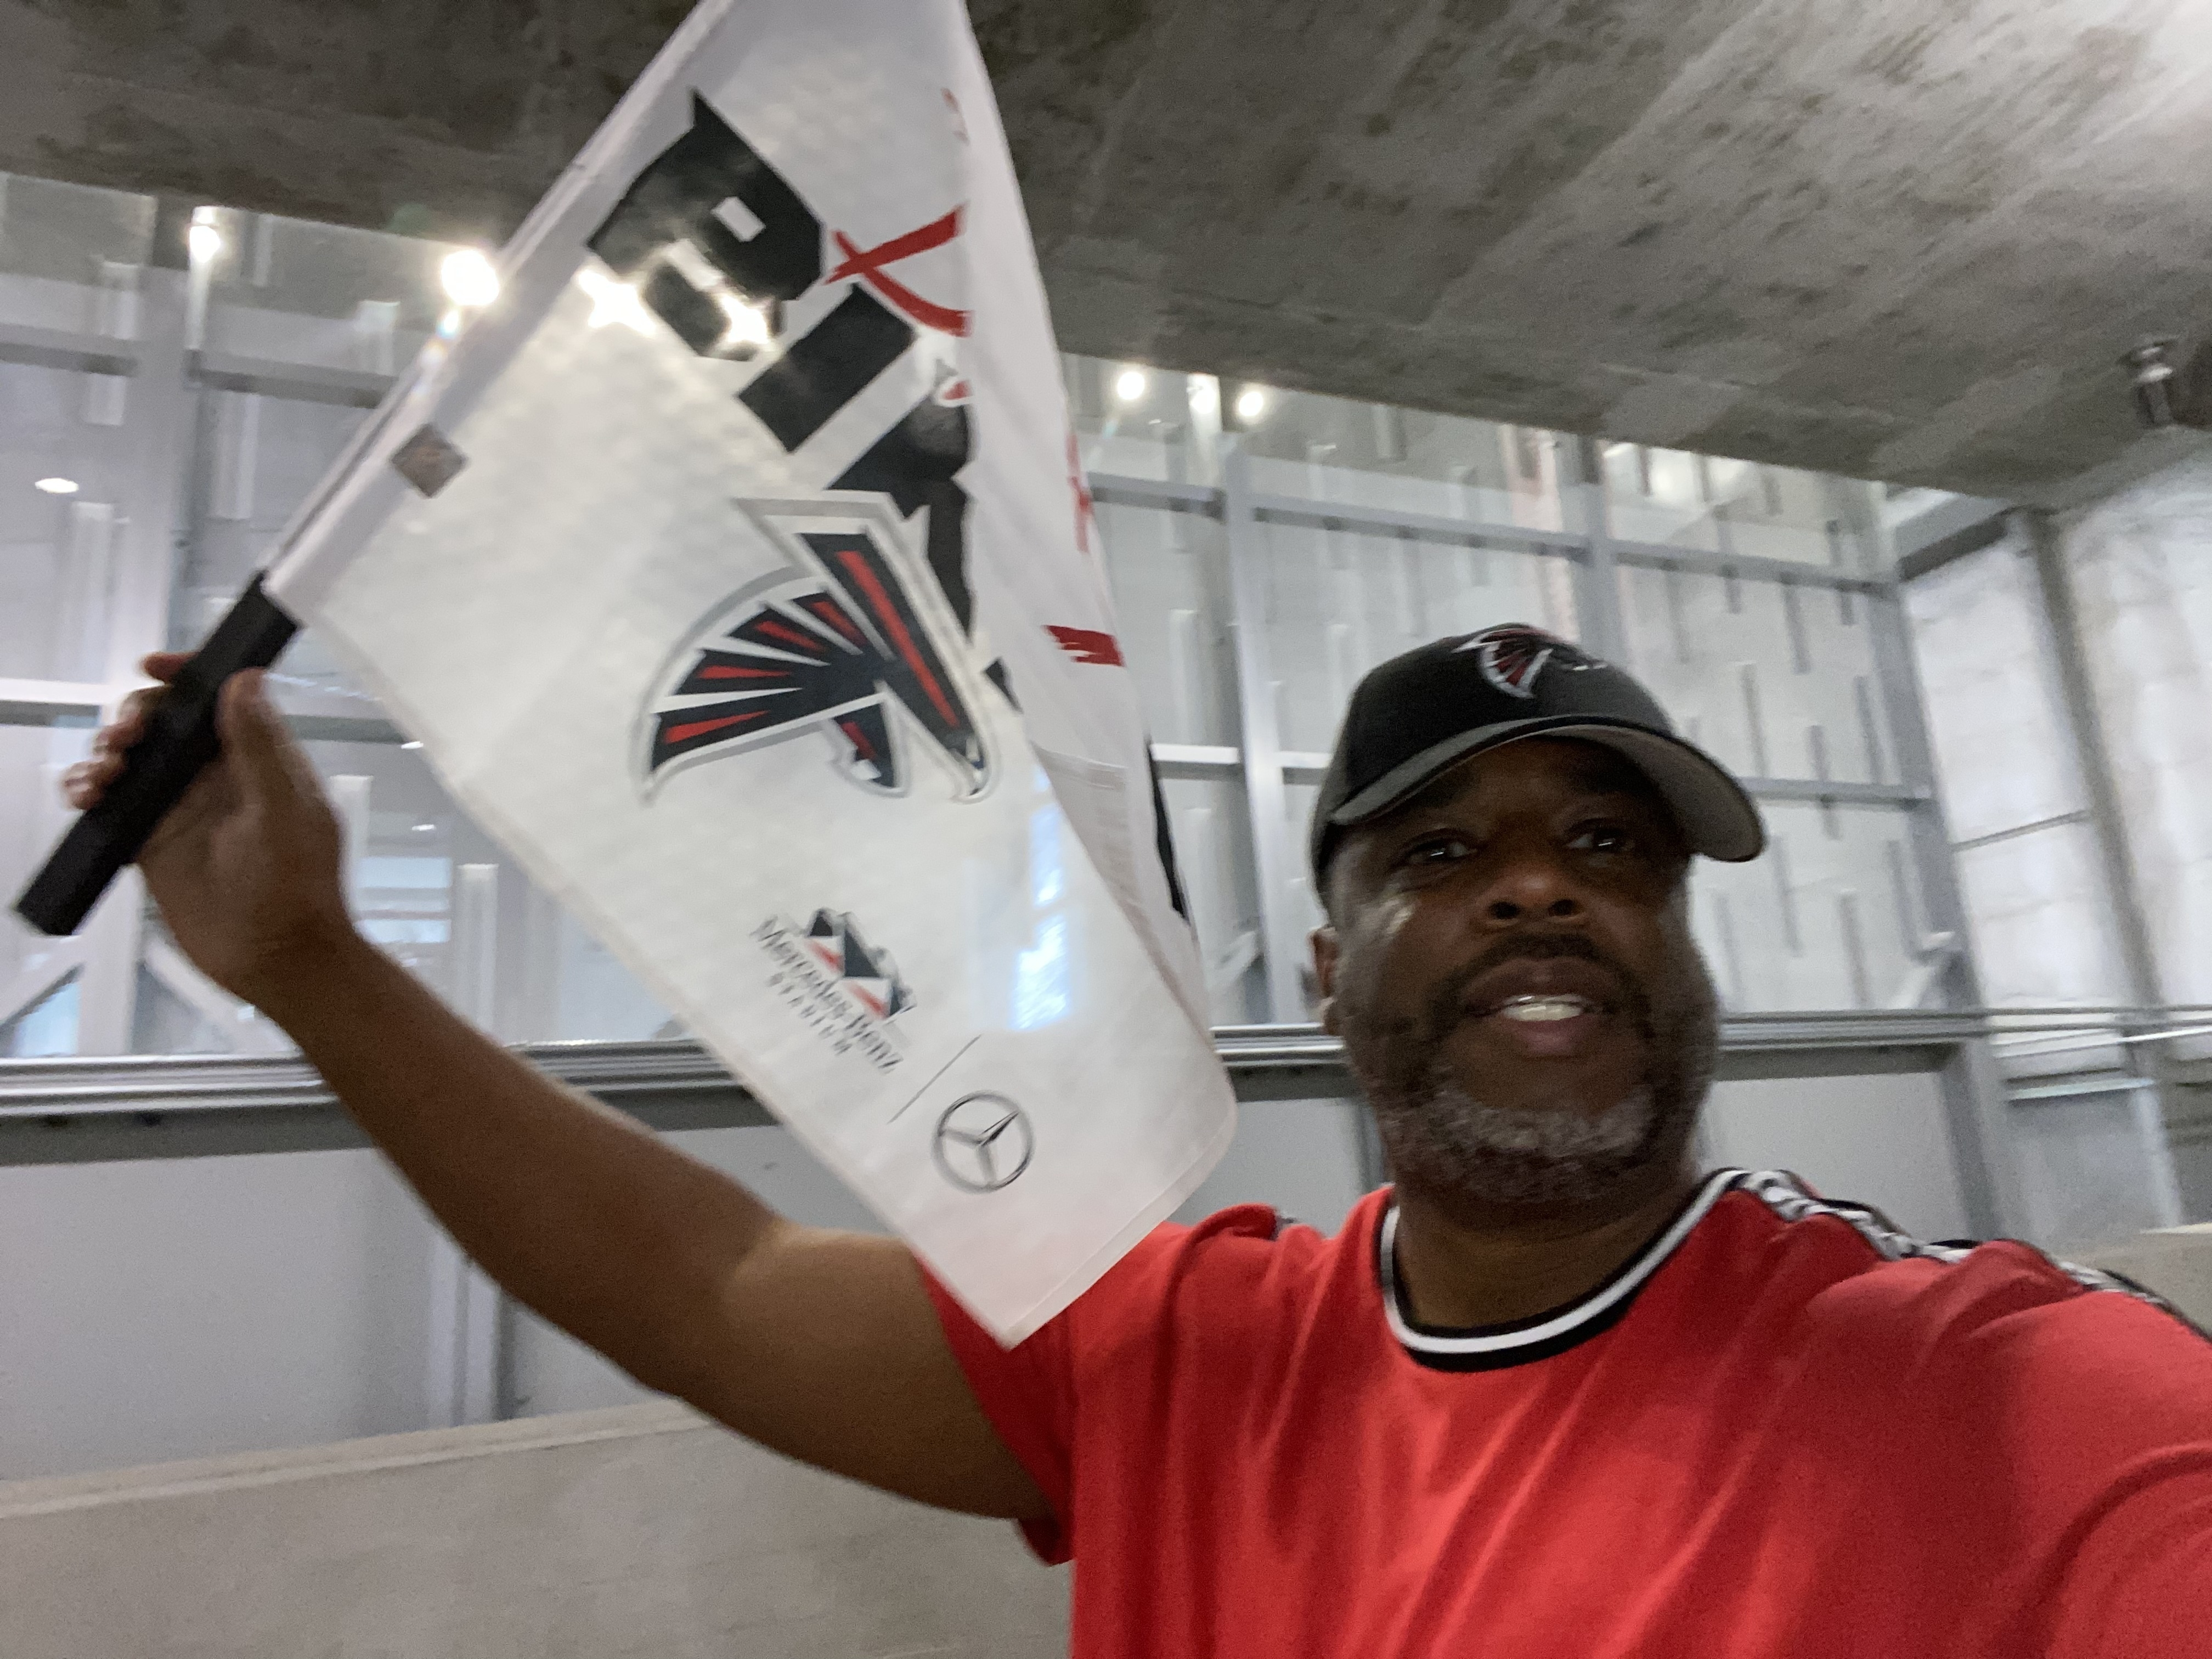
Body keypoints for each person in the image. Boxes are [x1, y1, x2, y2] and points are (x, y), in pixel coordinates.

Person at [65, 623, 2212, 1656]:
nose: (1538, 890)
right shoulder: (1188, 1358)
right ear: (1326, 967)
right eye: (1442, 850)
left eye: (1609, 849)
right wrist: (314, 965)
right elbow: (713, 1285)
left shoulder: (1984, 1385)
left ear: (1678, 940)